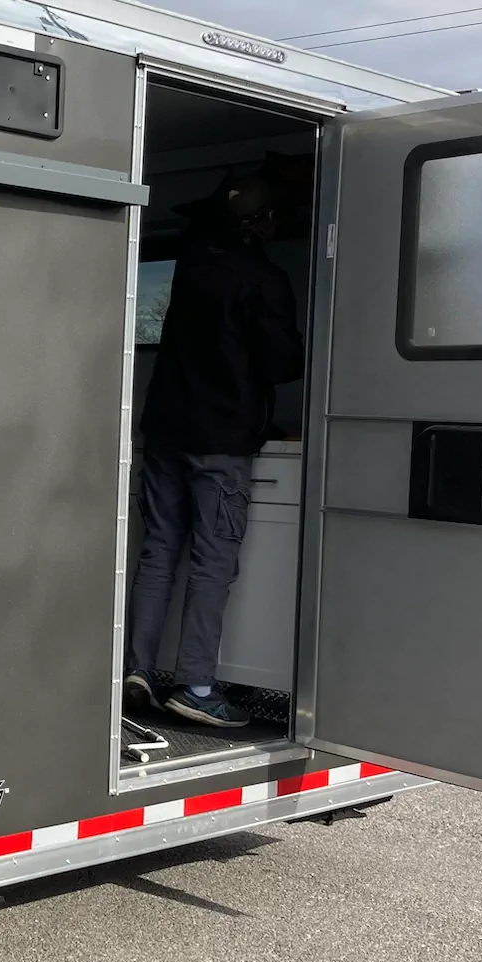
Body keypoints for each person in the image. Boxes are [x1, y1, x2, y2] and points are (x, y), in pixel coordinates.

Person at [125, 172, 304, 727]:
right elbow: (283, 365)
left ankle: (138, 671)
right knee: (212, 561)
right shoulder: (264, 280)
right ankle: (198, 685)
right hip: (221, 443)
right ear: (260, 224)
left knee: (159, 552)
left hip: (166, 433)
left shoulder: (190, 267)